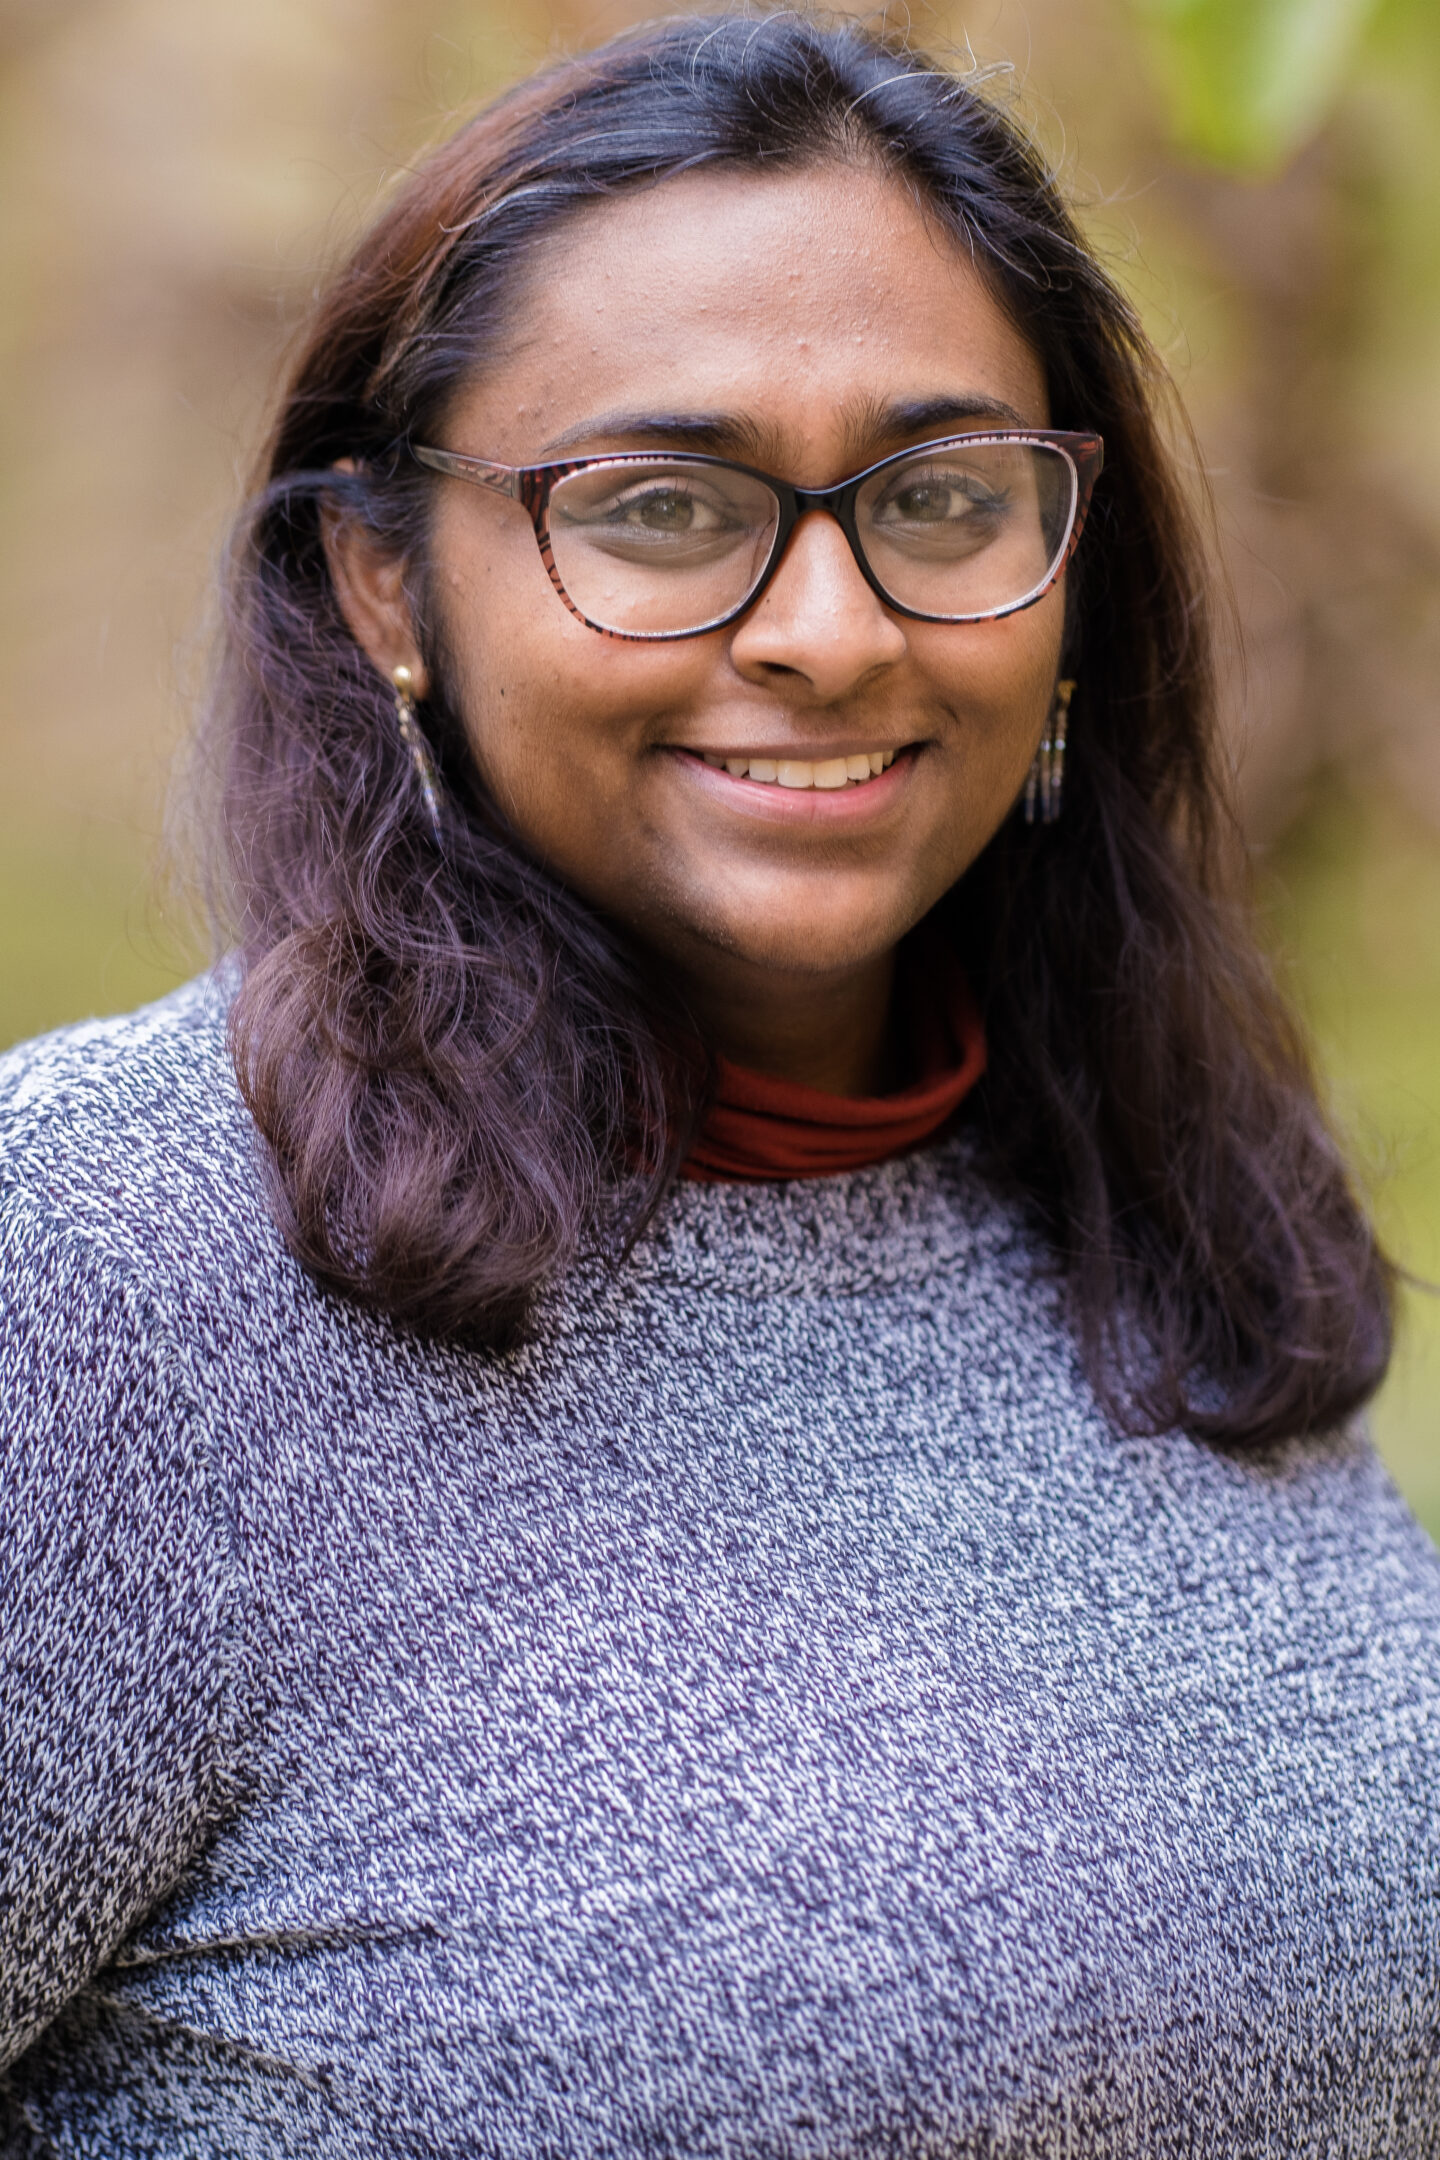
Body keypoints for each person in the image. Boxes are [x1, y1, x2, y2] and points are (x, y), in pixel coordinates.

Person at [3, 12, 1438, 2154]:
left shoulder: (1166, 1202)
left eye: (943, 497)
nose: (834, 628)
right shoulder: (94, 1272)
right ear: (386, 580)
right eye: (666, 506)